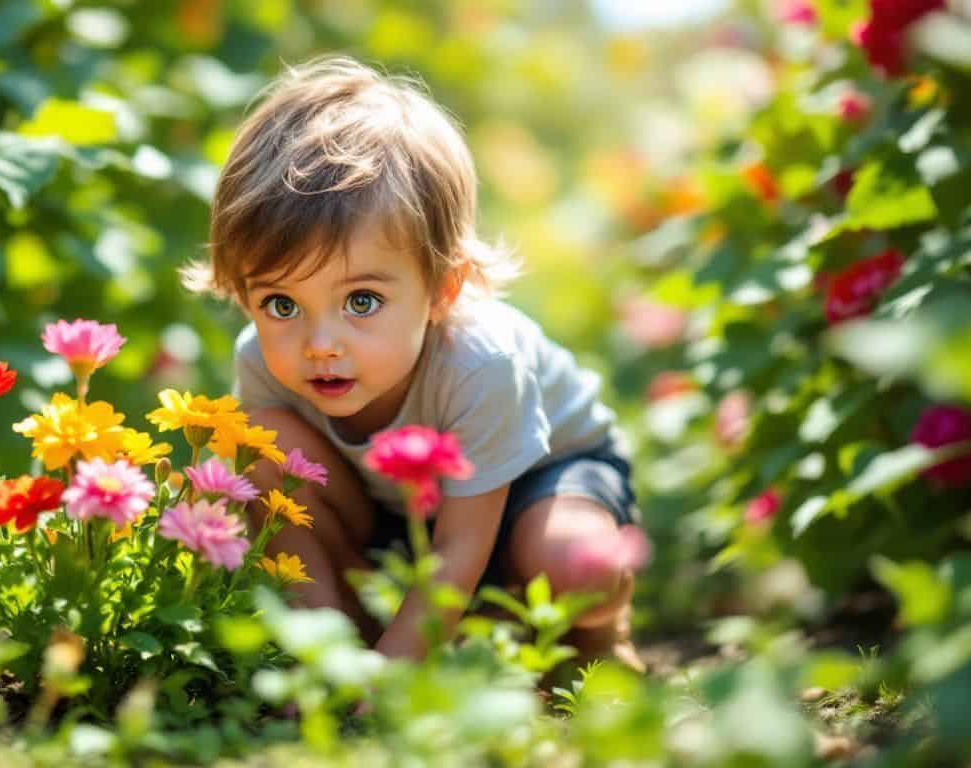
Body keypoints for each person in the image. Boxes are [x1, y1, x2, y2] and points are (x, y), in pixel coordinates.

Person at [182, 55, 647, 670]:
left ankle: (596, 631)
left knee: (568, 563)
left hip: (536, 489)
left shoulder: (482, 363)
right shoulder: (264, 363)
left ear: (442, 290)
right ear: (242, 292)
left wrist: (398, 674)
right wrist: (340, 672)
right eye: (281, 302)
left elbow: (460, 545)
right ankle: (333, 650)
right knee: (266, 456)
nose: (321, 343)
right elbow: (289, 526)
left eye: (362, 301)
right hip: (394, 516)